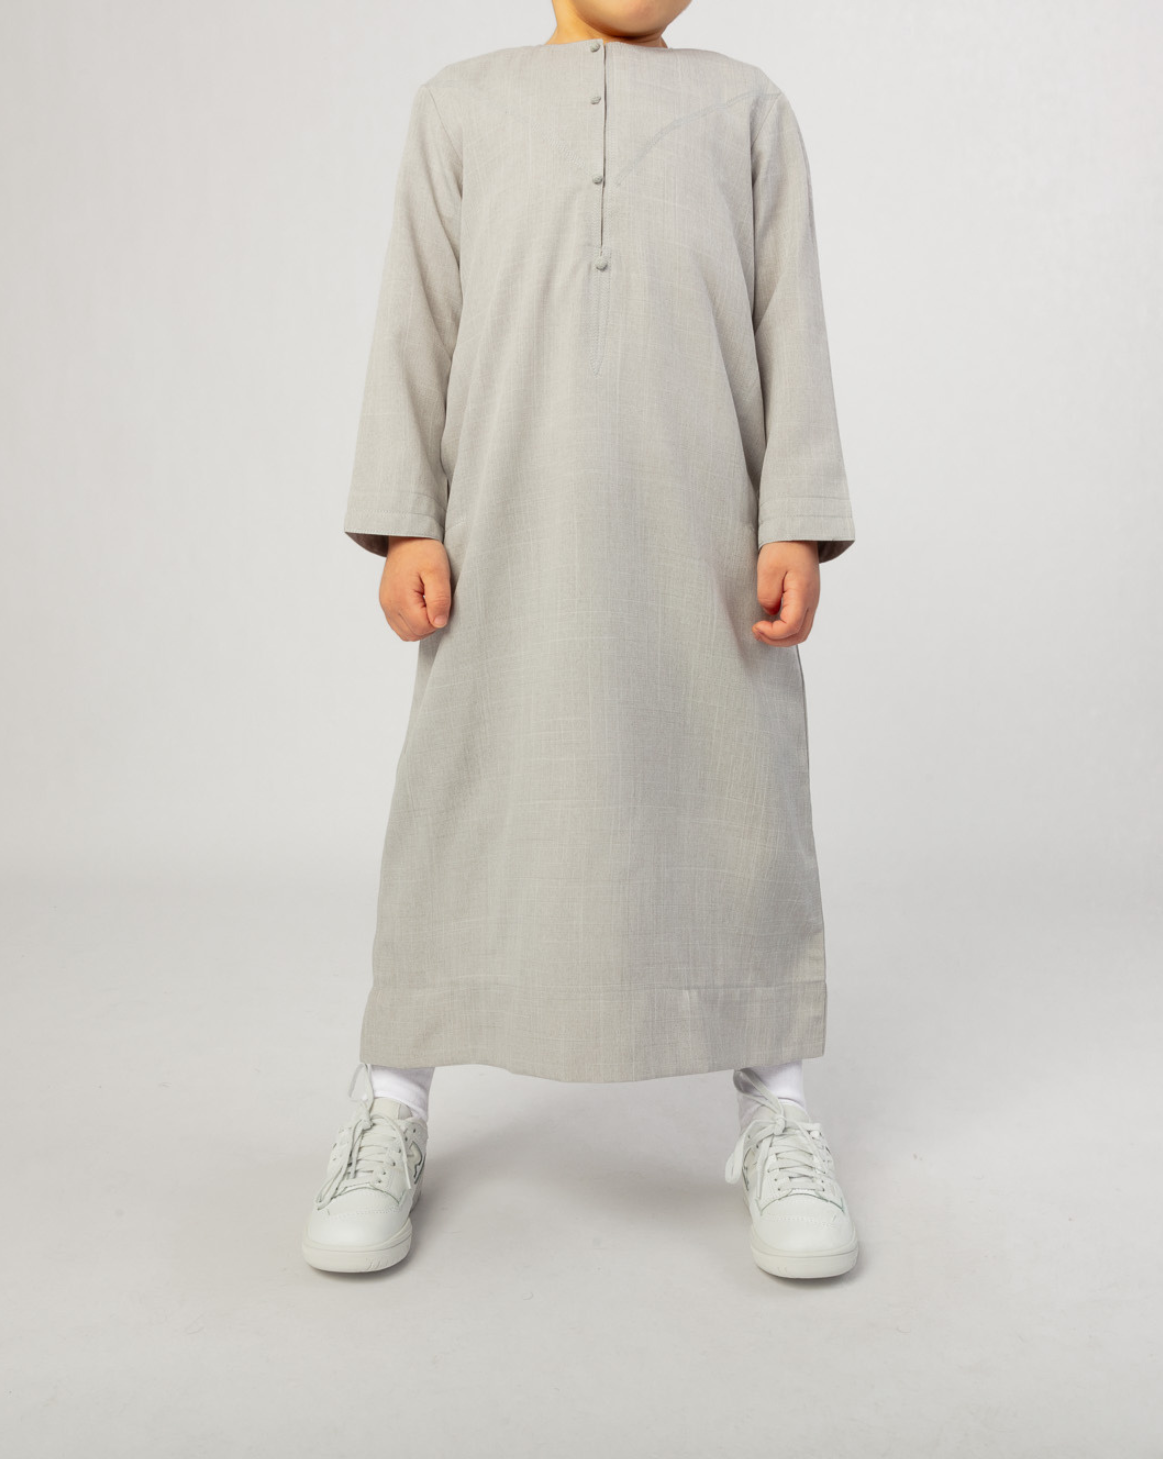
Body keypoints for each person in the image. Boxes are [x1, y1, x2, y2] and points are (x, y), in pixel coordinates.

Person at [302, 0, 860, 1280]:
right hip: (504, 525)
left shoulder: (747, 107)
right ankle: (391, 1103)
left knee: (738, 793)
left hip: (704, 532)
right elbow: (416, 317)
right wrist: (406, 519)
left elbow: (792, 320)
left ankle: (776, 1112)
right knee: (463, 790)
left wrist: (795, 516)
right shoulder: (462, 105)